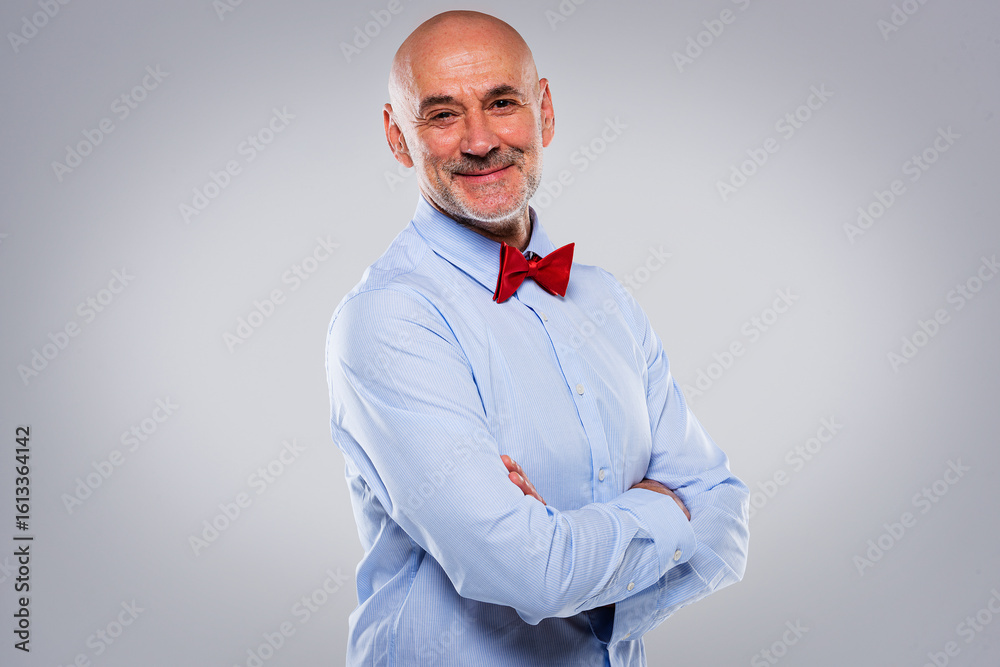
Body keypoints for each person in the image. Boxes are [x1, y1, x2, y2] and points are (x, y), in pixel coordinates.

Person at [325, 10, 749, 666]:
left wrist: (566, 544)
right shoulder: (389, 319)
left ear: (544, 111)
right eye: (442, 115)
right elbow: (530, 572)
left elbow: (725, 517)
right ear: (397, 136)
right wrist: (665, 513)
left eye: (502, 103)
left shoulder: (606, 299)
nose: (479, 140)